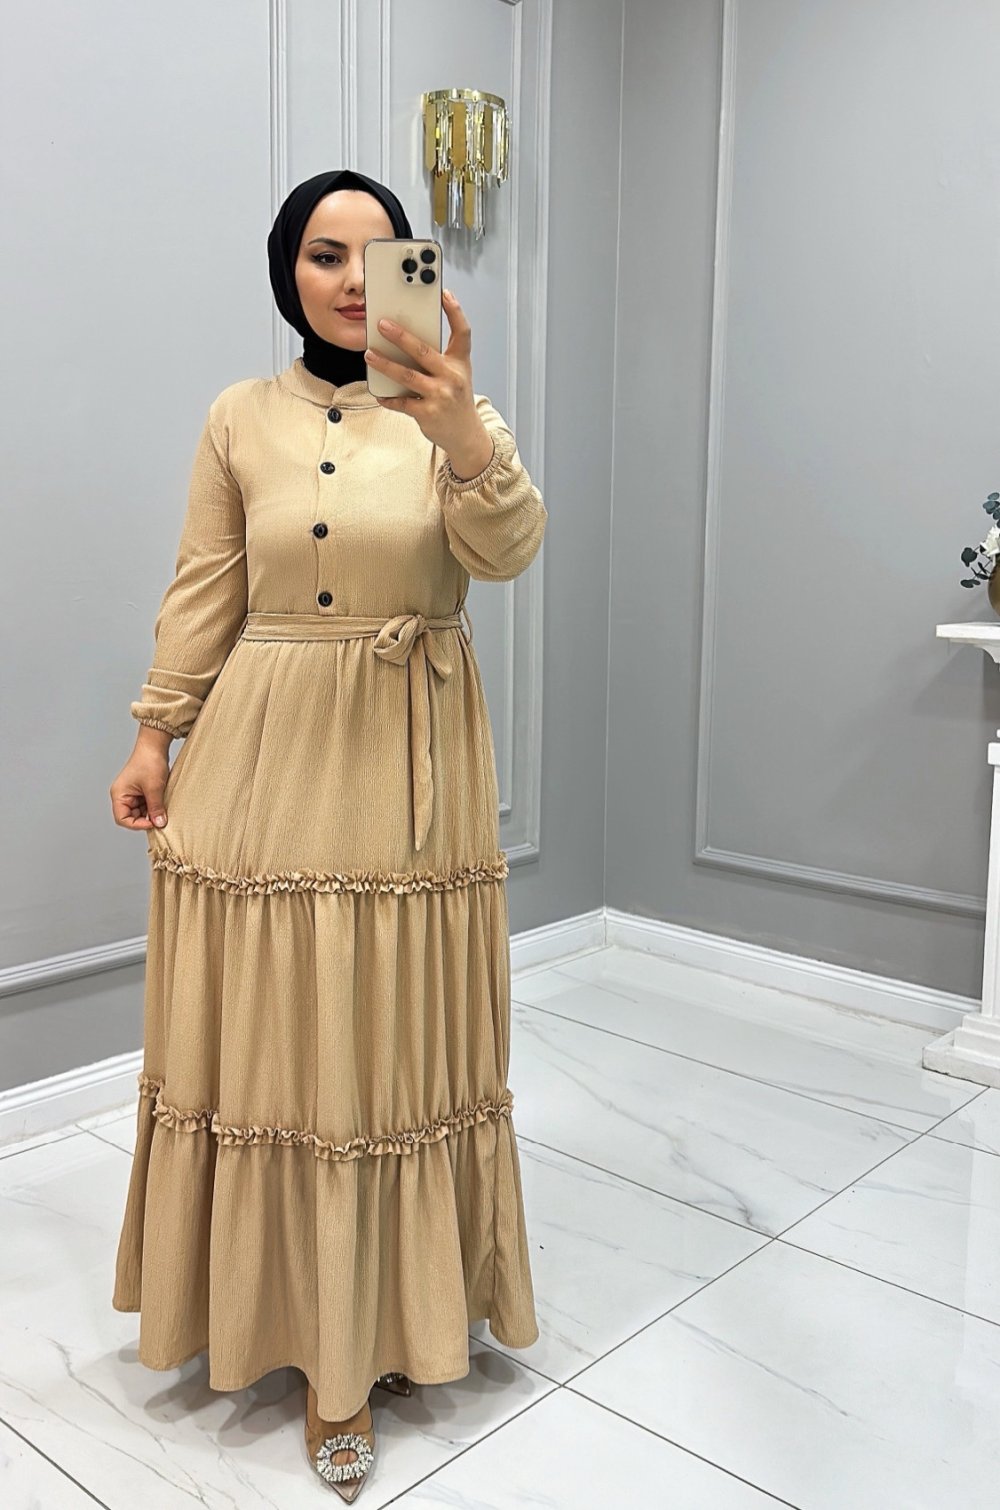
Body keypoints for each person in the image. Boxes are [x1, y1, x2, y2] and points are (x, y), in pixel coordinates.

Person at [108, 168, 547, 1499]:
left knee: (390, 1051)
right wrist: (155, 732)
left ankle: (392, 1322)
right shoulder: (238, 416)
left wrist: (461, 430)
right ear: (285, 273)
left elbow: (509, 548)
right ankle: (297, 1338)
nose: (354, 280)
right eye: (321, 254)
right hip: (262, 758)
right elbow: (207, 585)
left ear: (416, 267)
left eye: (379, 252)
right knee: (284, 1053)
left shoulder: (456, 412)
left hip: (407, 765)